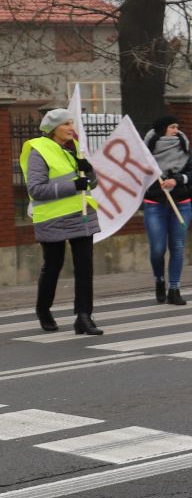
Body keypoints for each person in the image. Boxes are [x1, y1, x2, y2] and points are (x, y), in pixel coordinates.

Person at [22, 109, 102, 335]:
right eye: (66, 124)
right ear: (54, 129)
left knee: (85, 267)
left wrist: (90, 171)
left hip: (81, 214)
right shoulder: (39, 150)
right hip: (52, 218)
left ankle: (84, 316)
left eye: (72, 123)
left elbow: (90, 183)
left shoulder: (76, 148)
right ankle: (43, 309)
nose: (71, 128)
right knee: (53, 265)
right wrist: (74, 185)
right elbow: (36, 190)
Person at [142, 115, 192, 306]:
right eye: (172, 127)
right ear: (161, 130)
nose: (176, 131)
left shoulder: (183, 145)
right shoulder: (147, 150)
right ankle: (159, 280)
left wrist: (178, 179)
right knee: (158, 249)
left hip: (181, 203)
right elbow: (137, 174)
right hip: (155, 204)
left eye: (177, 126)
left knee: (178, 247)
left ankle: (174, 289)